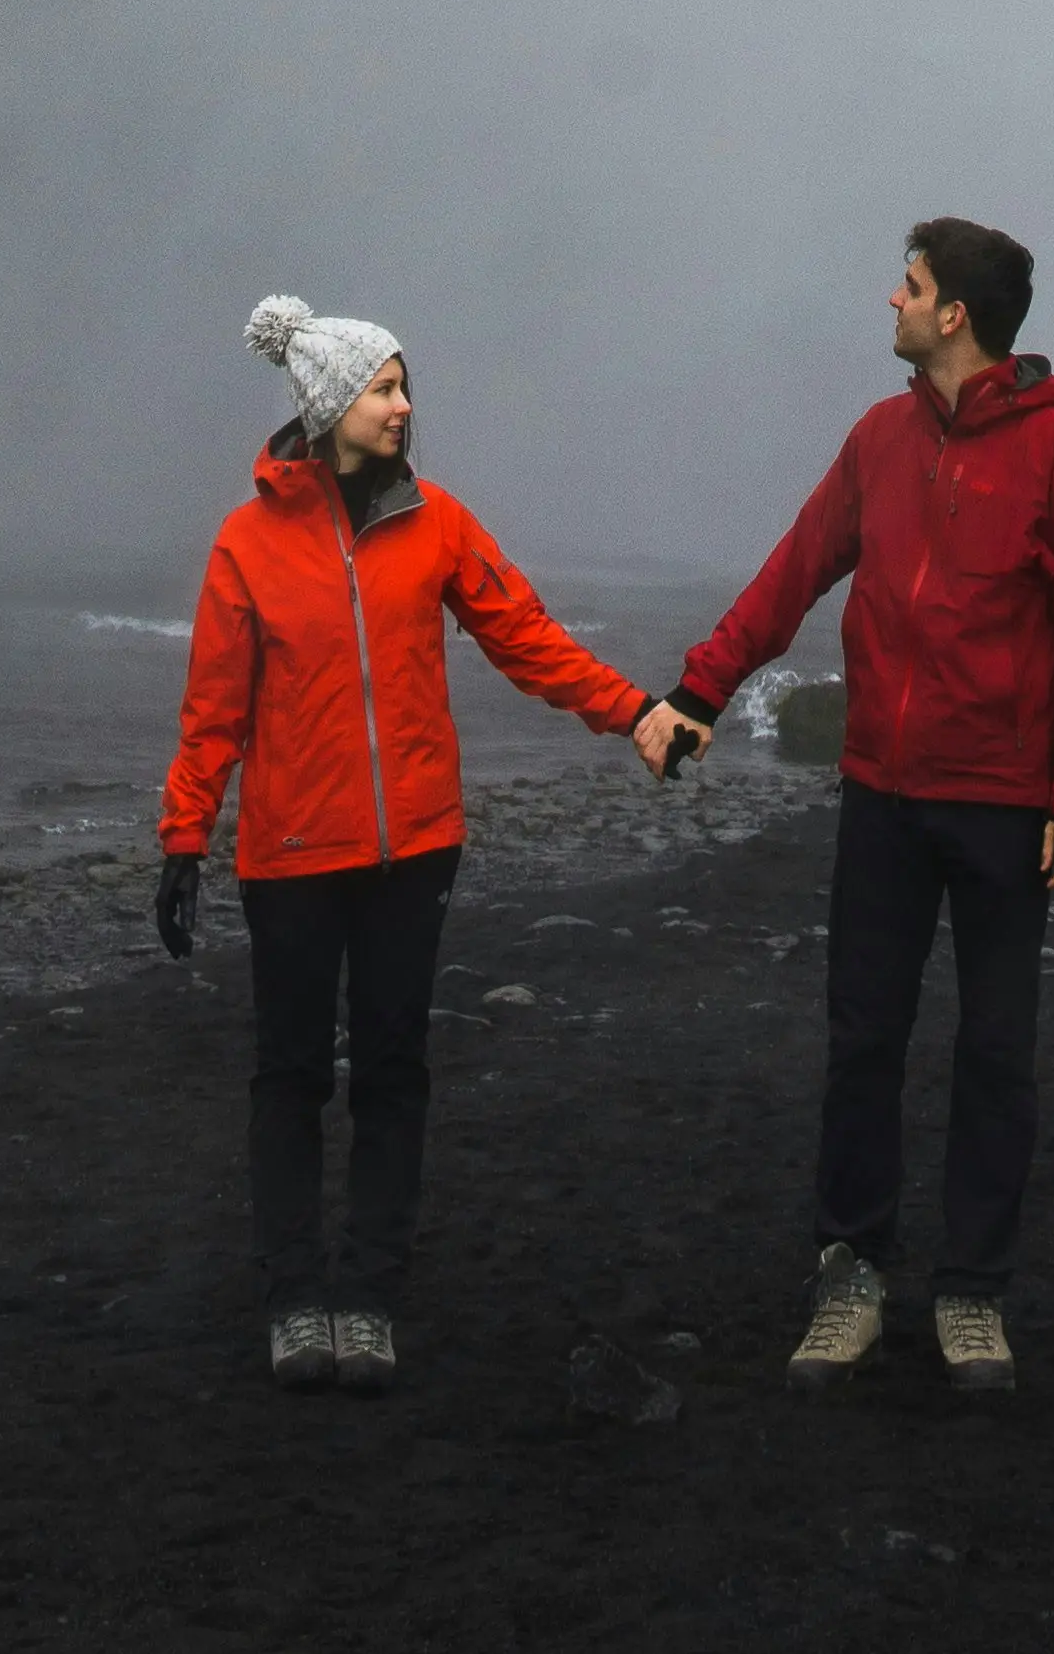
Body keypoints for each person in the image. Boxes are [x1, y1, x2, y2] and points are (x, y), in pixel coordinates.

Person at [153, 286, 695, 1393]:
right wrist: (181, 841)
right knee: (292, 1075)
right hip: (292, 856)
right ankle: (297, 1300)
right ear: (331, 402)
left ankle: (370, 1296)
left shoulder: (435, 522)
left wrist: (634, 711)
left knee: (394, 1071)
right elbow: (213, 710)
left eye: (404, 387)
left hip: (414, 853)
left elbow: (527, 638)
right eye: (385, 388)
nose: (404, 407)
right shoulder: (245, 544)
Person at [660, 214, 1054, 1404]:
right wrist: (703, 686)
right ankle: (851, 1277)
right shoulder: (877, 439)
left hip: (1004, 805)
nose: (893, 302)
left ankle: (970, 1293)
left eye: (909, 287)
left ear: (955, 313)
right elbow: (797, 568)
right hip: (881, 792)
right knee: (863, 1038)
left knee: (994, 1050)